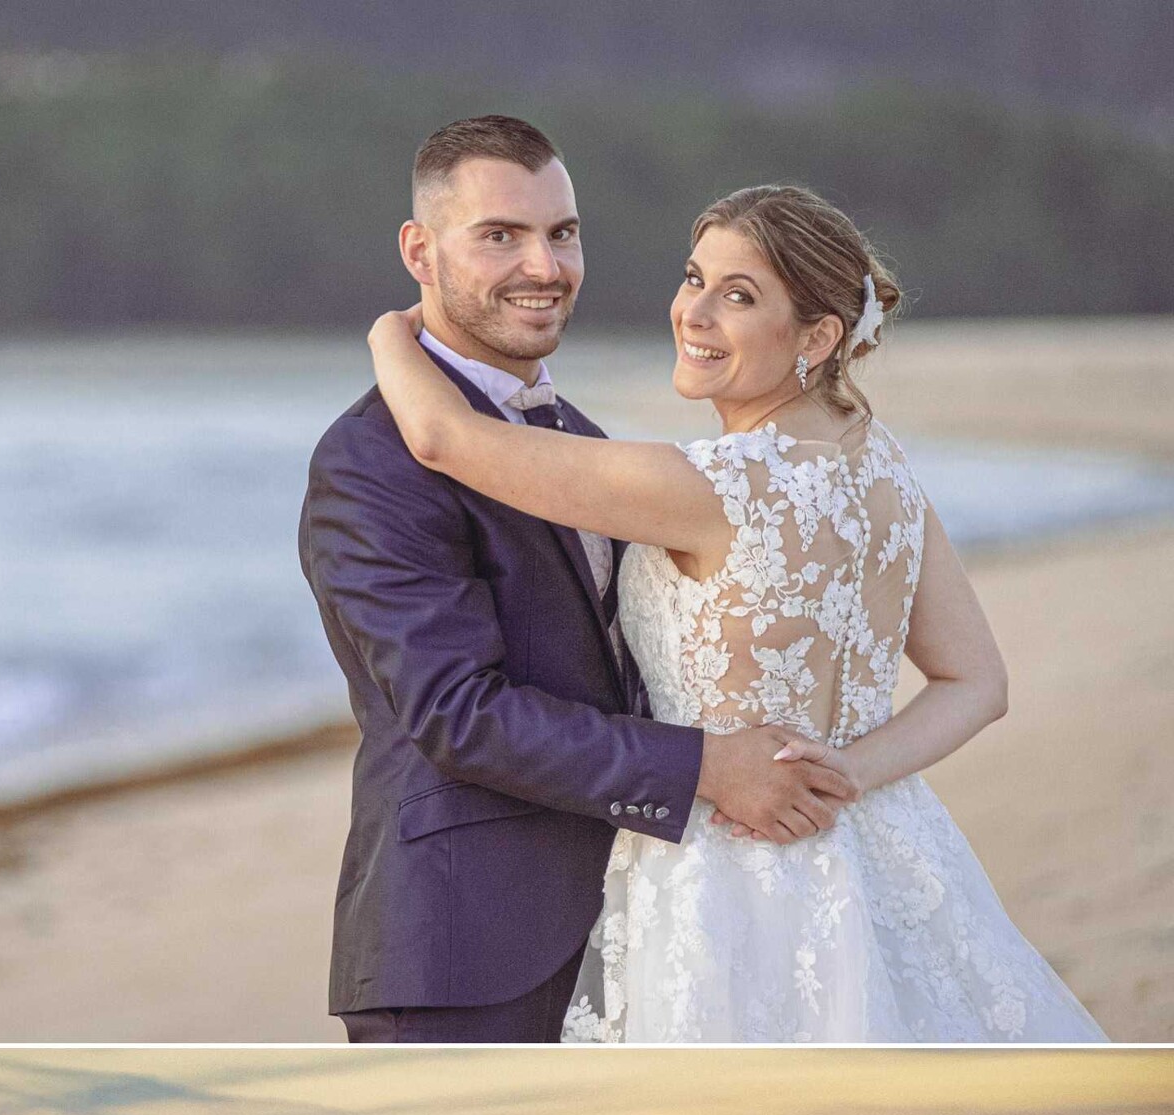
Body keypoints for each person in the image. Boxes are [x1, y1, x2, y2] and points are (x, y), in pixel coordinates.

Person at [366, 176, 1106, 1043]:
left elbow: (441, 439)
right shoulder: (882, 471)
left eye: (739, 295)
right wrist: (852, 774)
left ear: (819, 335)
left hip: (725, 868)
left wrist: (391, 331)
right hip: (880, 850)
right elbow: (976, 682)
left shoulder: (711, 485)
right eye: (693, 279)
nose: (694, 313)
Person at [300, 116, 856, 1044]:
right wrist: (709, 766)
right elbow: (456, 714)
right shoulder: (371, 462)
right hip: (464, 952)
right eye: (498, 235)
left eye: (561, 233)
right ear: (419, 250)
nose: (543, 266)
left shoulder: (583, 444)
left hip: (633, 922)